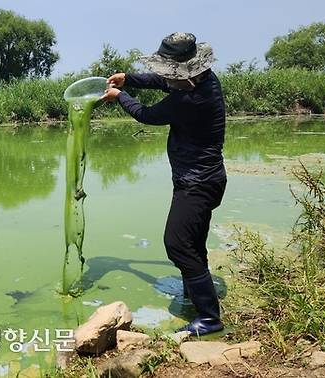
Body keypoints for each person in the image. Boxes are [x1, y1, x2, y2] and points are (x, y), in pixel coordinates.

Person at [100, 32, 227, 336]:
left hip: (197, 183)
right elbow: (163, 81)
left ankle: (210, 318)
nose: (168, 77)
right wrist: (128, 78)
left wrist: (120, 96)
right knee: (193, 242)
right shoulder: (205, 80)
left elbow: (147, 114)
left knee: (177, 244)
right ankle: (193, 296)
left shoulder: (190, 99)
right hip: (205, 179)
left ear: (187, 73)